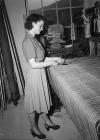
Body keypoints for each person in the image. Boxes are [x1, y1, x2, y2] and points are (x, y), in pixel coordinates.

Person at [22, 13, 65, 139]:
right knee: (32, 104)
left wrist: (56, 57)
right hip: (35, 75)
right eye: (40, 26)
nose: (42, 28)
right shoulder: (27, 41)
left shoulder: (34, 39)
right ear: (33, 24)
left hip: (40, 73)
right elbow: (34, 64)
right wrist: (52, 63)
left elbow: (42, 58)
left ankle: (47, 122)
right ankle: (34, 129)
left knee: (41, 100)